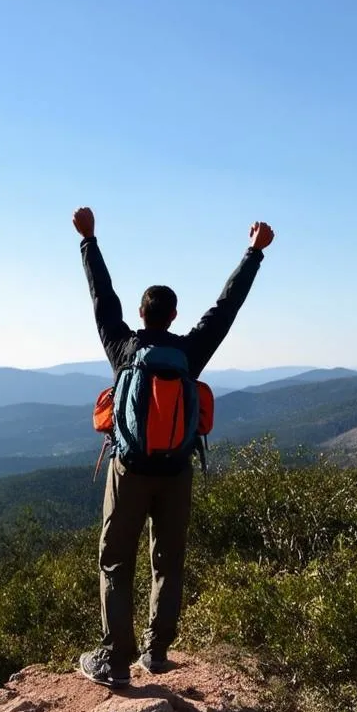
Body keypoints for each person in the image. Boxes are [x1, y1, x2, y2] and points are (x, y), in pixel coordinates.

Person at [73, 206, 275, 687]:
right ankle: (156, 652)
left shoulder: (123, 350)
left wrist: (89, 240)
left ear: (141, 315)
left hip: (130, 469)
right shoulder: (190, 353)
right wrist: (254, 253)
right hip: (177, 472)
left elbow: (103, 300)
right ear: (175, 316)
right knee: (168, 560)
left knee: (115, 560)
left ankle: (115, 660)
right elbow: (226, 309)